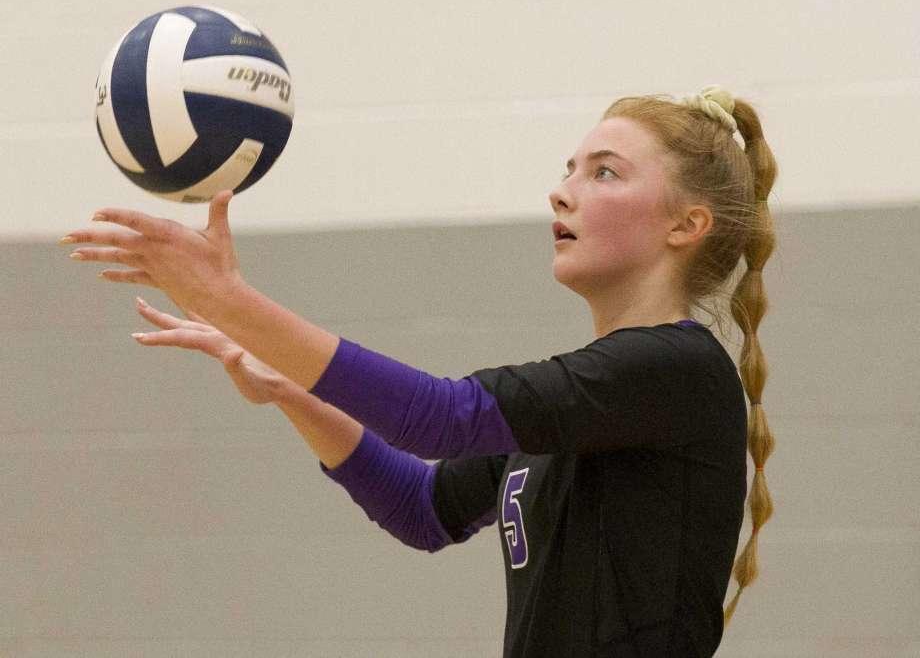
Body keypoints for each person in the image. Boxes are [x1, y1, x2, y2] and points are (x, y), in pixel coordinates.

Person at [61, 85, 778, 657]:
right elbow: (423, 508)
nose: (563, 191)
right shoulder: (594, 400)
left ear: (686, 224)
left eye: (605, 172)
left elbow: (440, 417)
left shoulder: (675, 368)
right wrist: (286, 389)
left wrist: (229, 300)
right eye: (568, 169)